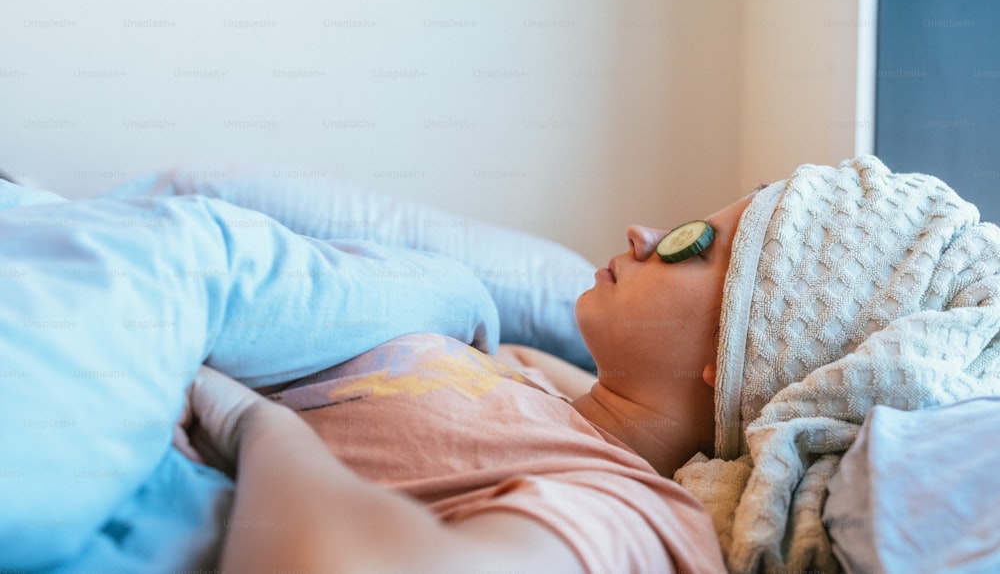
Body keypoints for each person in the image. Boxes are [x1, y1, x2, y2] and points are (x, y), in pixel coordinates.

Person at [175, 155, 1000, 574]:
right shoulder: (530, 375)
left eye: (691, 240)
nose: (644, 231)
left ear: (745, 350)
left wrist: (249, 423)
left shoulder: (628, 518)